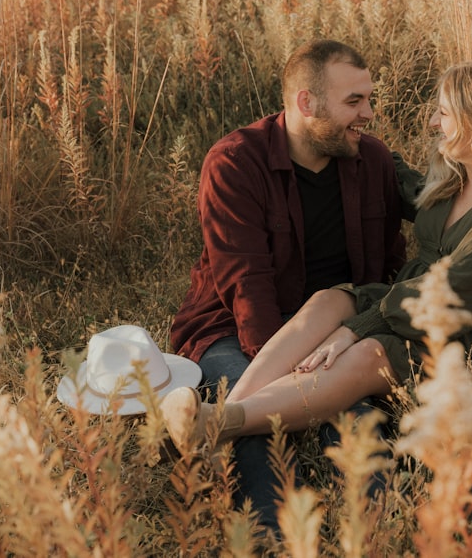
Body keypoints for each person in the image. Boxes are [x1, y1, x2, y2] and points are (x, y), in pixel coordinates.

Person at [160, 60, 472, 449]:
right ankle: (219, 415)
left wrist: (359, 325)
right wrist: (316, 131)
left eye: (442, 113)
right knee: (329, 300)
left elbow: (457, 287)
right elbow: (390, 173)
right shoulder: (453, 182)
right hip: (409, 310)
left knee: (368, 352)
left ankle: (223, 424)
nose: (432, 123)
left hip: (467, 337)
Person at [168, 39, 406, 532]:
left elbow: (386, 268)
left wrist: (344, 354)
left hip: (334, 329)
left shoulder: (374, 160)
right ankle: (279, 534)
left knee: (360, 421)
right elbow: (246, 291)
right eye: (354, 102)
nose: (369, 113)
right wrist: (295, 386)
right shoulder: (235, 162)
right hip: (234, 329)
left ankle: (382, 529)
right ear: (306, 103)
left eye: (368, 98)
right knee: (250, 421)